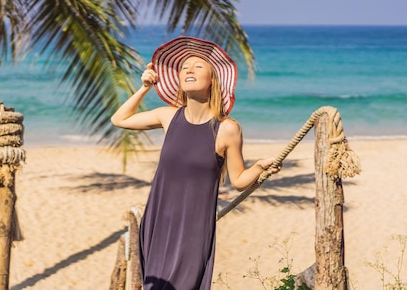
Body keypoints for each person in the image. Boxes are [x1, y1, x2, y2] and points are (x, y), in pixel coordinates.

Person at [111, 36, 282, 290]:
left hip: (193, 229)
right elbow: (120, 119)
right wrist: (145, 88)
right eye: (184, 68)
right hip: (158, 222)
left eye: (198, 66)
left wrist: (259, 168)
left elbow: (238, 181)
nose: (189, 69)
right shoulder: (168, 117)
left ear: (212, 79)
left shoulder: (227, 129)